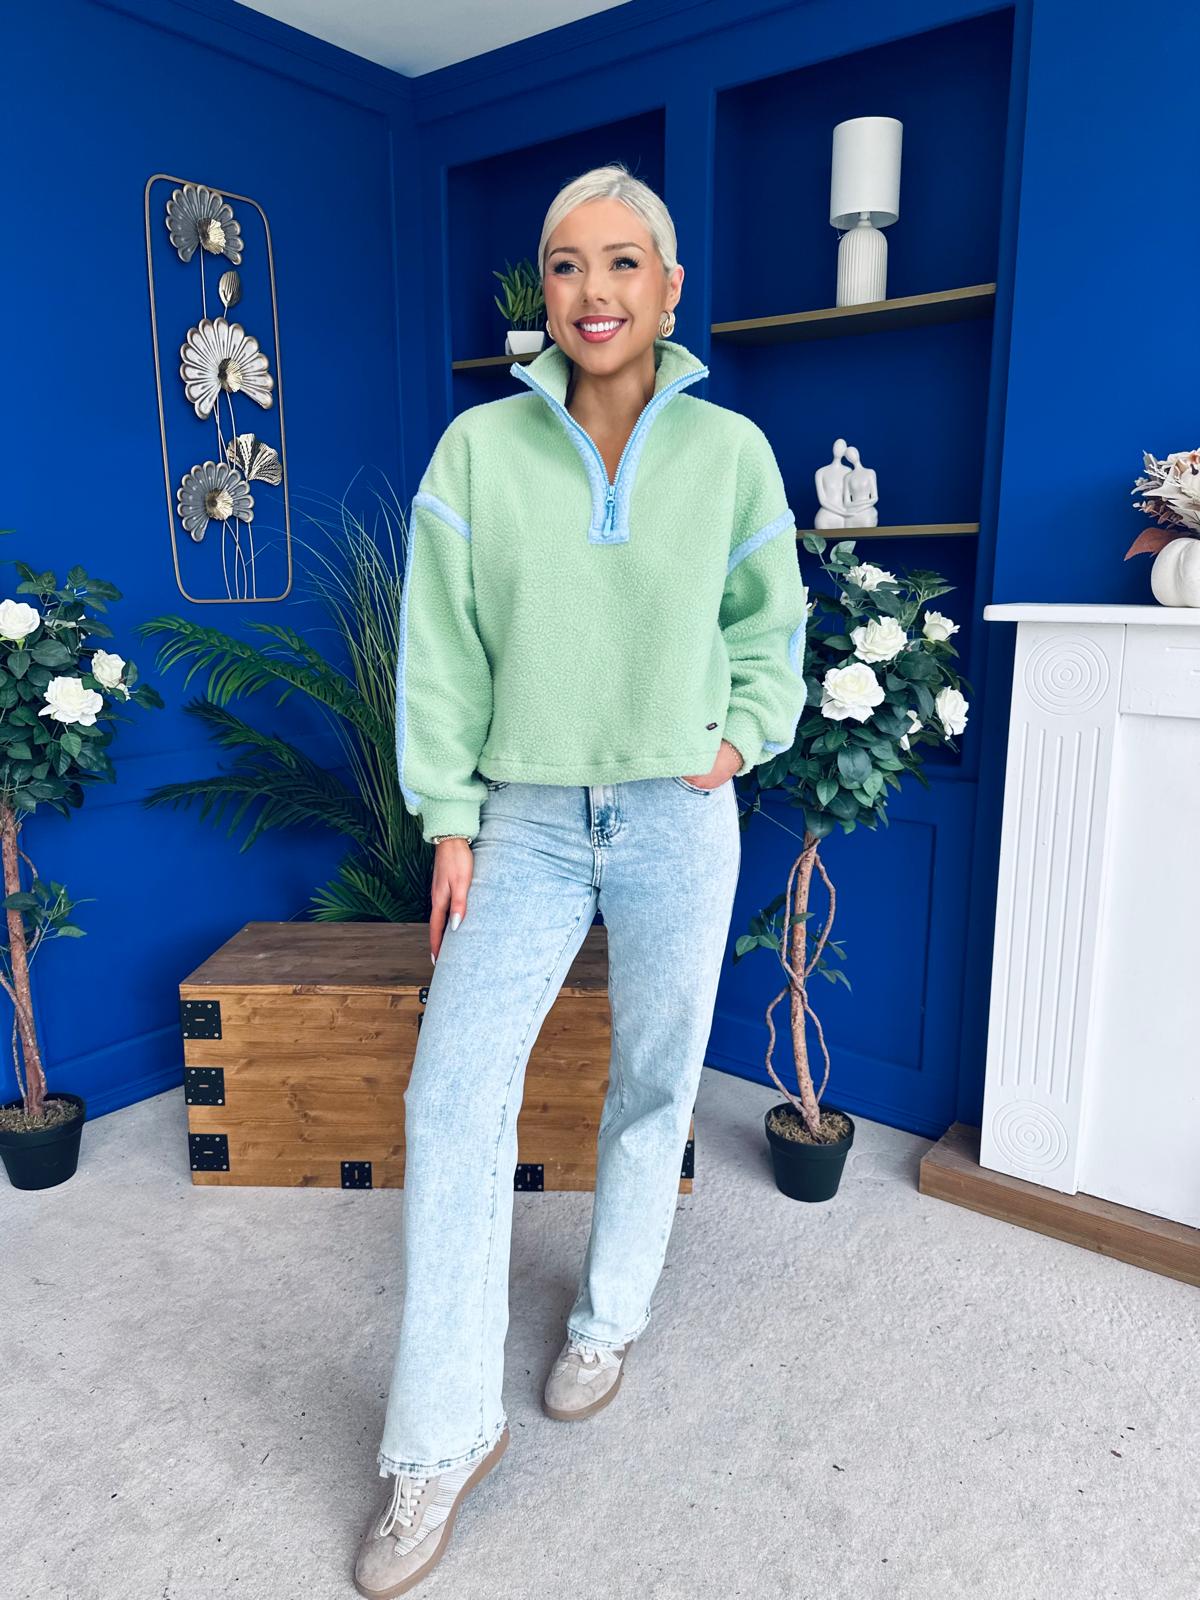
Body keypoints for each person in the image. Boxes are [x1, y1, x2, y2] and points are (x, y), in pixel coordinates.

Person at [353, 162, 809, 1599]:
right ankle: (440, 1438)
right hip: (527, 818)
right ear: (542, 292)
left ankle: (607, 1320)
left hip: (680, 811)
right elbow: (441, 649)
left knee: (657, 1080)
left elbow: (772, 622)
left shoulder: (730, 451)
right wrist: (450, 823)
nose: (593, 291)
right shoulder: (476, 450)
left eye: (622, 263)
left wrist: (737, 737)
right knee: (451, 1092)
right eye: (565, 264)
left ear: (669, 288)